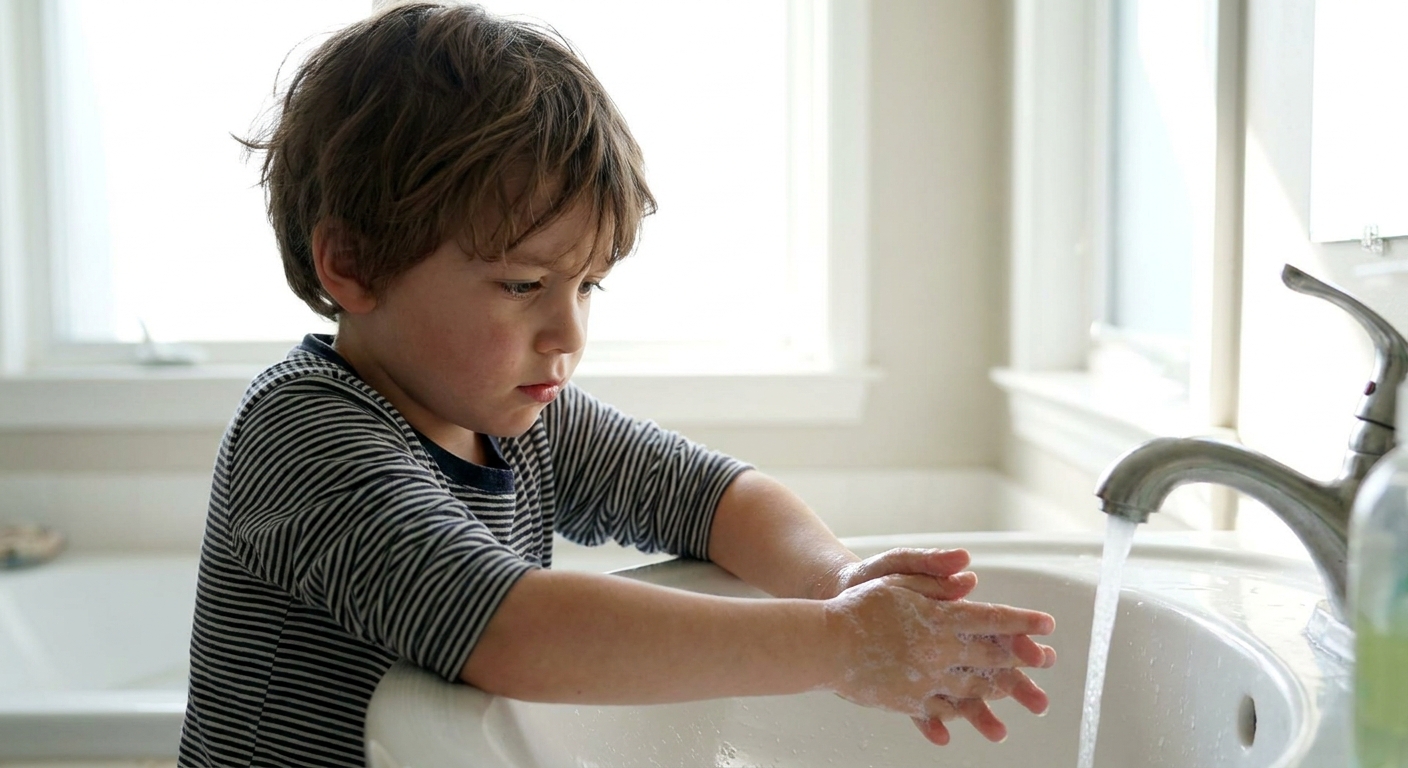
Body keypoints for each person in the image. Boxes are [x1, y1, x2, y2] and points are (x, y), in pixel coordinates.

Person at [178, 2, 1058, 765]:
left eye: (586, 286)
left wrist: (840, 580)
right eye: (522, 286)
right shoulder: (303, 435)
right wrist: (841, 645)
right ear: (355, 264)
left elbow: (715, 496)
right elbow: (511, 632)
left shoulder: (517, 420)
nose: (568, 334)